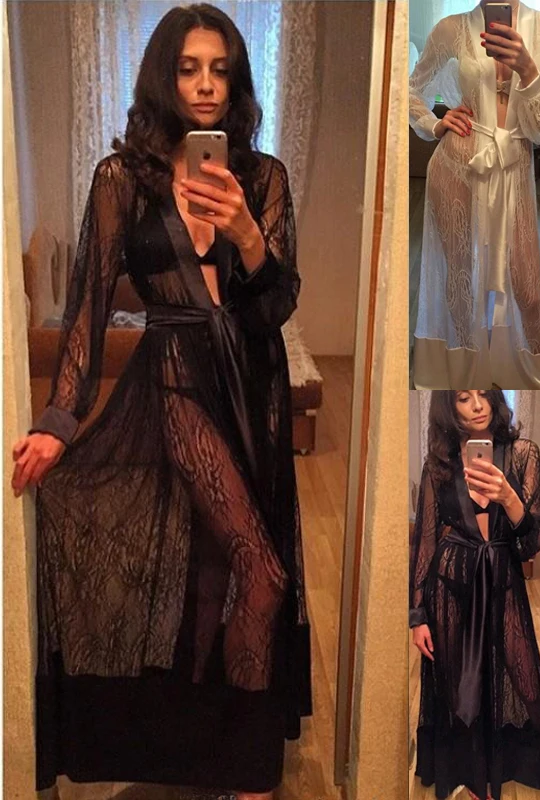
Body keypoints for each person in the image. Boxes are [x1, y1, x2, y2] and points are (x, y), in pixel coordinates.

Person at [10, 6, 308, 798]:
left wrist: (247, 234)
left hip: (254, 385)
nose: (205, 84)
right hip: (175, 376)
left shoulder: (263, 178)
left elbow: (277, 306)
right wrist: (60, 420)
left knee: (217, 570)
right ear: (162, 77)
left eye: (220, 69)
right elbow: (88, 305)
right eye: (188, 68)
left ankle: (206, 746)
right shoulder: (124, 179)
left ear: (236, 81)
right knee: (263, 572)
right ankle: (247, 770)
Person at [410, 390, 540, 800]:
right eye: (463, 398)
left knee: (526, 673)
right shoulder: (439, 464)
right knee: (459, 681)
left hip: (502, 575)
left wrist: (509, 498)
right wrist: (418, 615)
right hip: (450, 581)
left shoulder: (522, 454)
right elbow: (425, 540)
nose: (477, 405)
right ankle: (472, 773)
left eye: (483, 395)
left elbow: (534, 540)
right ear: (448, 406)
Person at [409, 0, 540, 390]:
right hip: (456, 165)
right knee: (461, 276)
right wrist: (434, 123)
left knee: (528, 288)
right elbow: (410, 90)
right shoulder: (451, 28)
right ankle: (467, 373)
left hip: (514, 166)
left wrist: (528, 69)